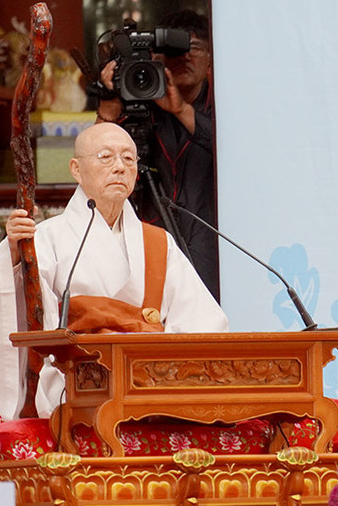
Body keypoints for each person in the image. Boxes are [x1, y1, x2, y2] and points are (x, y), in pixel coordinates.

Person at [0, 122, 229, 421]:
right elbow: (16, 310)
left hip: (151, 377)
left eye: (129, 159)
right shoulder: (46, 238)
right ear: (76, 169)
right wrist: (15, 254)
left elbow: (202, 320)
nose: (120, 167)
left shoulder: (158, 242)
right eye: (106, 157)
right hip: (77, 377)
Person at [96, 9, 220, 301]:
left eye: (196, 48)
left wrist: (181, 111)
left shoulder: (225, 104)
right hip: (149, 241)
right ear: (158, 58)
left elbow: (238, 156)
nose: (186, 57)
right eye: (176, 50)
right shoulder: (140, 106)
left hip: (213, 245)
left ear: (210, 58)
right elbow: (94, 167)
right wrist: (109, 109)